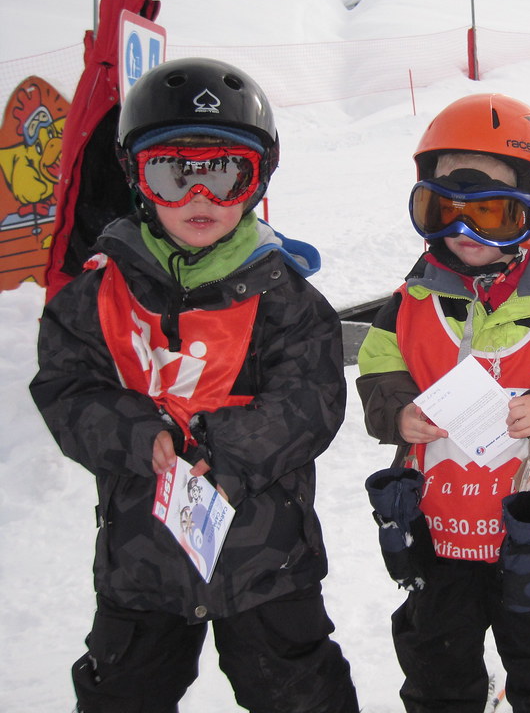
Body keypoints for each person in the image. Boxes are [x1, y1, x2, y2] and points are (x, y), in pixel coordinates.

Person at [29, 58, 359, 713]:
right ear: (136, 178)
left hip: (266, 560)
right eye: (173, 174)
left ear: (255, 179)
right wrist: (135, 434)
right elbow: (66, 387)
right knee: (124, 694)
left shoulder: (282, 292)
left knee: (300, 694)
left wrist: (227, 444)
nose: (199, 198)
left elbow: (312, 397)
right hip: (143, 561)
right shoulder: (100, 294)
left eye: (224, 174)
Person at [356, 93, 530, 713]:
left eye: (492, 215)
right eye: (442, 210)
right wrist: (398, 412)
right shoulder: (413, 299)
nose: (463, 232)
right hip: (437, 527)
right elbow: (377, 364)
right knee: (436, 656)